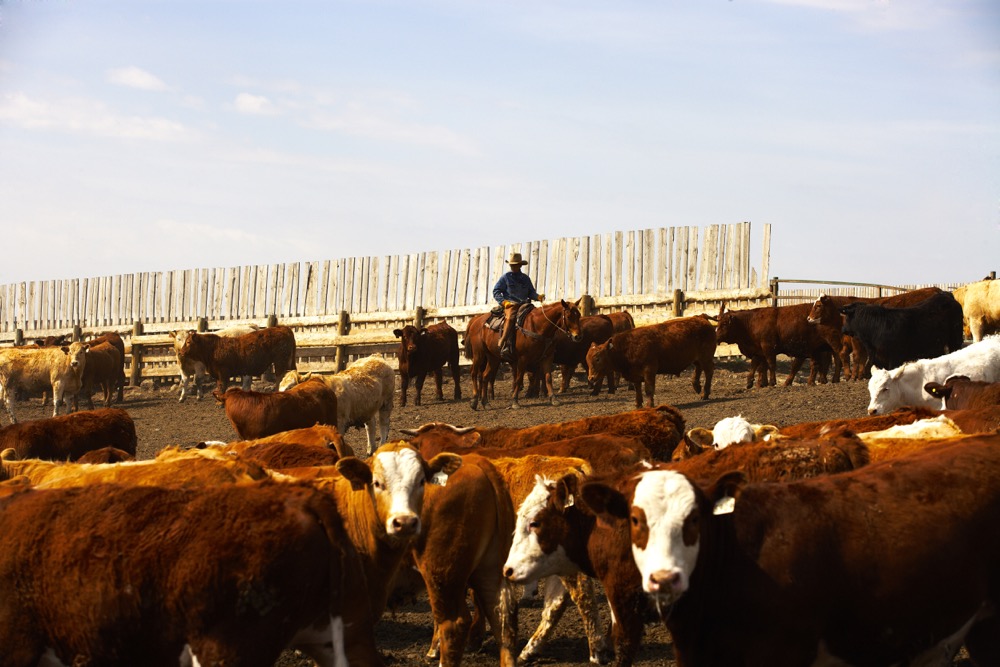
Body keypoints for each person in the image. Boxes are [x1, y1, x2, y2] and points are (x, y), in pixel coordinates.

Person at [493, 252, 544, 362]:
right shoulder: (505, 278)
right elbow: (496, 291)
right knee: (511, 318)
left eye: (516, 265)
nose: (514, 267)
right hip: (511, 305)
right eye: (512, 265)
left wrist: (538, 296)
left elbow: (531, 292)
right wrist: (504, 302)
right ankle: (504, 343)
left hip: (525, 304)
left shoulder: (525, 278)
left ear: (520, 265)